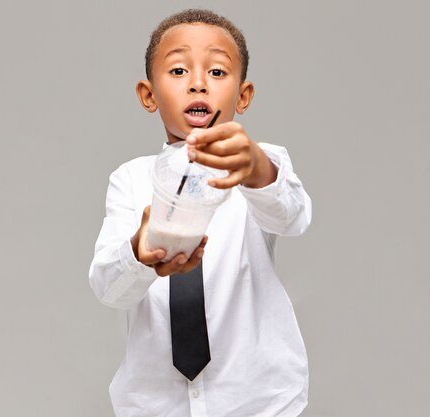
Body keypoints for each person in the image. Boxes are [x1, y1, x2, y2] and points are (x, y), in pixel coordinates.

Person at [89, 9, 312, 417]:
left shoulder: (260, 165)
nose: (197, 83)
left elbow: (293, 216)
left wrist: (258, 169)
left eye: (217, 72)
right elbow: (109, 288)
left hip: (259, 399)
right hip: (155, 404)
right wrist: (140, 252)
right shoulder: (130, 179)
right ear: (148, 94)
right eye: (177, 70)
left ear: (243, 96)